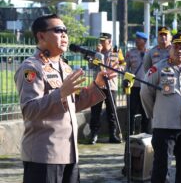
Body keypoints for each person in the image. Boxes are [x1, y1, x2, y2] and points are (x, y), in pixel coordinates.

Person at [14, 14, 116, 183]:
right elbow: (29, 110)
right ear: (41, 36)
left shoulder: (65, 67)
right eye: (58, 30)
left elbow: (73, 105)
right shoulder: (31, 67)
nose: (64, 35)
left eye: (65, 31)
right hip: (44, 157)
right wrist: (60, 93)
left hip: (69, 154)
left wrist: (97, 85)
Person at [140, 32, 181, 183]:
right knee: (161, 171)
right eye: (176, 46)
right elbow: (145, 92)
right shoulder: (158, 68)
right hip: (164, 126)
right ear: (170, 48)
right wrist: (155, 113)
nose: (179, 50)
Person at [88, 32, 126, 144]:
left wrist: (119, 68)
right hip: (98, 85)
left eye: (103, 41)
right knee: (95, 111)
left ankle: (112, 135)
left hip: (111, 85)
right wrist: (97, 53)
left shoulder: (116, 51)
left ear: (109, 41)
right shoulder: (96, 52)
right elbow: (90, 66)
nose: (101, 42)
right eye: (100, 40)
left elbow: (123, 64)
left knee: (112, 111)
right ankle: (93, 134)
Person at [125, 31, 150, 135]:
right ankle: (130, 134)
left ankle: (146, 133)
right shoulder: (131, 53)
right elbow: (126, 68)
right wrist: (125, 80)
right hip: (134, 87)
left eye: (139, 39)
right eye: (136, 39)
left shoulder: (150, 53)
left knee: (146, 112)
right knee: (131, 111)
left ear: (144, 41)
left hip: (146, 87)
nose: (136, 41)